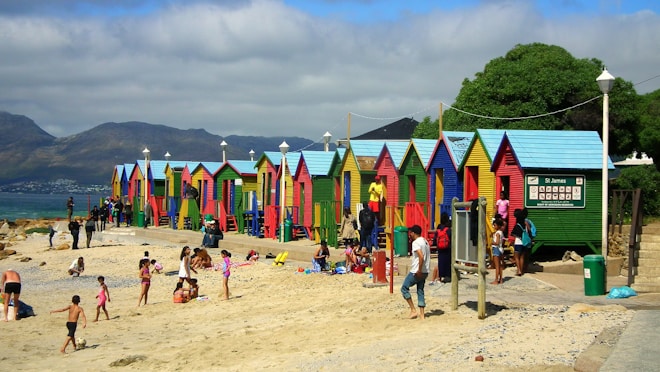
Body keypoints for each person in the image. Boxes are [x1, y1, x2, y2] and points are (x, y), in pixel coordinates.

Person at [401, 225, 430, 320]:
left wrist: (419, 269)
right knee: (420, 290)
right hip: (426, 271)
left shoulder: (416, 243)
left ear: (413, 233)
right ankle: (422, 315)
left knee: (404, 288)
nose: (410, 235)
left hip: (417, 271)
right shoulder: (425, 241)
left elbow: (421, 256)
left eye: (410, 233)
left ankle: (413, 310)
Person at [430, 213, 452, 284]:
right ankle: (447, 276)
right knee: (448, 262)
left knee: (441, 262)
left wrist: (434, 245)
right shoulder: (448, 229)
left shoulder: (438, 229)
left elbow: (435, 239)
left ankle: (440, 276)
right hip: (447, 248)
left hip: (440, 248)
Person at [510, 209, 527, 276]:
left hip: (518, 242)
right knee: (522, 257)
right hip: (524, 243)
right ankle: (521, 270)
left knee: (516, 257)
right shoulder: (524, 225)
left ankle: (519, 270)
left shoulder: (517, 225)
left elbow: (513, 234)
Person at [490, 219, 505, 285]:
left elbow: (497, 242)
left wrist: (492, 242)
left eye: (495, 225)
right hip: (501, 249)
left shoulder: (497, 233)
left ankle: (496, 280)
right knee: (500, 265)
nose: (493, 226)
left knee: (497, 266)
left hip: (496, 249)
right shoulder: (501, 232)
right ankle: (501, 279)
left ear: (498, 226)